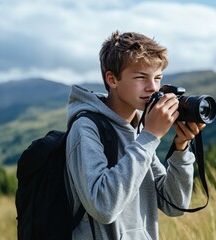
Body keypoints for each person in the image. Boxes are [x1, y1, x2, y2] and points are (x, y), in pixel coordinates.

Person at [64, 30, 205, 240]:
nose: (152, 87)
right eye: (141, 77)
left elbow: (175, 205)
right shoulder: (86, 128)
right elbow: (103, 207)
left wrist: (181, 149)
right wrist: (150, 136)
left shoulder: (138, 129)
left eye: (157, 78)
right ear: (112, 79)